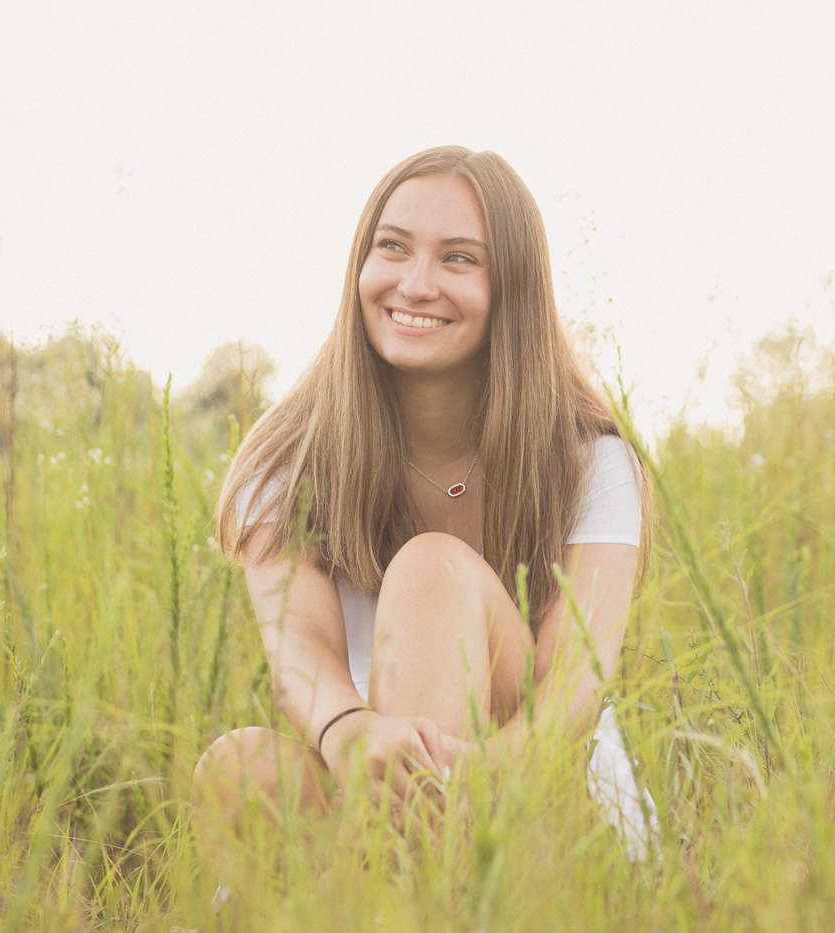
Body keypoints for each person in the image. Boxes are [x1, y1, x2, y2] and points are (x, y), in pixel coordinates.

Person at [192, 146, 651, 846]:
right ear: (360, 266)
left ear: (513, 286)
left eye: (459, 258)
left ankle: (417, 893)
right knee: (240, 766)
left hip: (535, 789)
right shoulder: (288, 457)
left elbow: (574, 689)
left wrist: (488, 769)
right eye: (393, 248)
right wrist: (348, 731)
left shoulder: (589, 458)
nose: (414, 283)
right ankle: (388, 889)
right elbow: (300, 648)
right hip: (369, 770)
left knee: (431, 570)